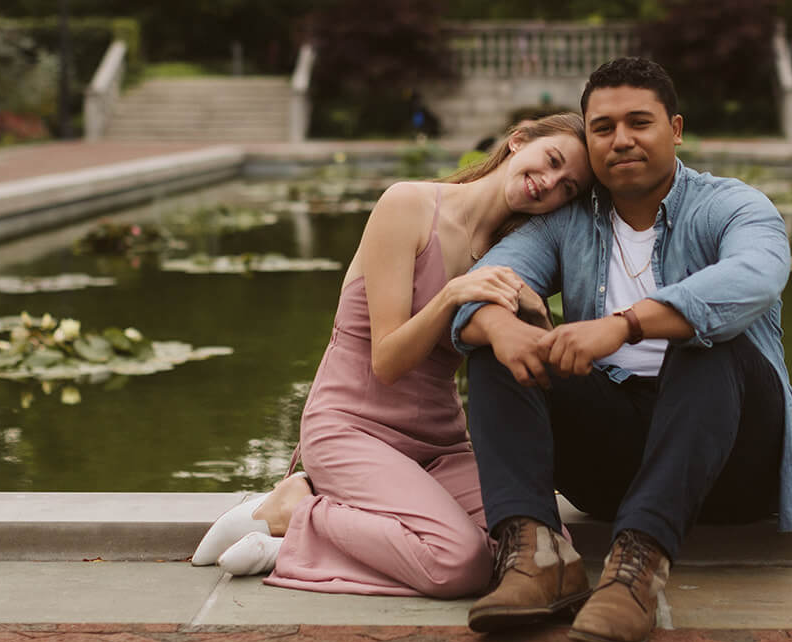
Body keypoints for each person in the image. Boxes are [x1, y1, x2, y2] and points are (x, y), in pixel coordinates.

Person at [450, 56, 792, 642]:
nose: (620, 139)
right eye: (602, 128)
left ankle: (636, 571)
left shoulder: (732, 205)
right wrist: (500, 326)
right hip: (617, 465)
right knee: (505, 349)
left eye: (639, 122)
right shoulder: (568, 223)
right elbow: (487, 279)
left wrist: (624, 327)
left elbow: (757, 275)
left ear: (674, 129)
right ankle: (536, 555)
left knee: (705, 343)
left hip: (732, 461)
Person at [191, 113, 591, 597]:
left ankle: (296, 544)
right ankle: (297, 510)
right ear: (519, 139)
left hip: (439, 442)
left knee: (541, 541)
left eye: (567, 189)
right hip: (351, 426)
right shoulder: (408, 205)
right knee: (457, 562)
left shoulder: (512, 252)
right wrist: (450, 296)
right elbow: (387, 360)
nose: (548, 184)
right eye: (551, 161)